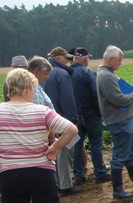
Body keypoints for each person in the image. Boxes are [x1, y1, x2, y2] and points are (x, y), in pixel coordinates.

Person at [0, 68, 79, 203]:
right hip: (42, 172)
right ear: (26, 88)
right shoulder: (42, 111)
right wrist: (55, 147)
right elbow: (72, 130)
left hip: (10, 174)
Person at [96, 46, 133, 199]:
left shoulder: (106, 74)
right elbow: (118, 100)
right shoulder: (106, 76)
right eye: (119, 60)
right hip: (119, 121)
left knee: (130, 152)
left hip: (123, 120)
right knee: (119, 155)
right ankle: (117, 190)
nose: (120, 63)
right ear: (111, 59)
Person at [44, 47, 83, 196]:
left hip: (48, 120)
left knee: (52, 153)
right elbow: (68, 100)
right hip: (62, 120)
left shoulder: (46, 74)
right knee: (64, 154)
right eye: (66, 58)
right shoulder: (61, 73)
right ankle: (65, 185)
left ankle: (56, 183)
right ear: (58, 59)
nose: (69, 61)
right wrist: (73, 120)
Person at [69, 47, 111, 185]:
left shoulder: (67, 73)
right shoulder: (87, 72)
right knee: (95, 144)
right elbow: (95, 95)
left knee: (77, 144)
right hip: (91, 115)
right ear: (86, 59)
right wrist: (100, 112)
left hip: (75, 116)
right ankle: (100, 172)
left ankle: (78, 175)